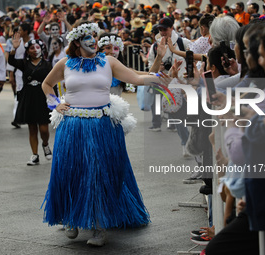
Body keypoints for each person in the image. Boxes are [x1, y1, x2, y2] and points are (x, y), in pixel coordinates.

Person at [41, 22, 169, 247]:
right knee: (71, 171)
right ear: (77, 42)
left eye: (94, 37)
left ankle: (99, 226)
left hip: (101, 125)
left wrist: (160, 76)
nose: (93, 41)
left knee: (98, 174)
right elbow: (47, 84)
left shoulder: (108, 62)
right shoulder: (64, 63)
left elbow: (137, 79)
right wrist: (54, 105)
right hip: (72, 125)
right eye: (88, 38)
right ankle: (72, 218)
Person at [8, 36, 53, 166]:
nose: (35, 50)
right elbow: (11, 61)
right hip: (29, 97)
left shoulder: (48, 64)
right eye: (32, 48)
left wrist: (54, 100)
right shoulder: (24, 63)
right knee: (32, 127)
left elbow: (52, 82)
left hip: (42, 97)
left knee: (44, 128)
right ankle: (35, 155)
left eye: (37, 47)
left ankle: (45, 144)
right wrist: (14, 49)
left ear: (42, 49)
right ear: (28, 51)